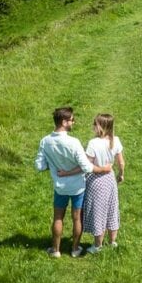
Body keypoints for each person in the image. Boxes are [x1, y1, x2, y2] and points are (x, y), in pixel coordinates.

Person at [35, 106, 113, 258]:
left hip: (60, 187)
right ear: (64, 122)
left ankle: (55, 250)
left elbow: (39, 165)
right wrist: (104, 169)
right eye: (72, 120)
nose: (74, 122)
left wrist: (53, 165)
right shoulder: (74, 142)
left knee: (58, 217)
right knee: (77, 218)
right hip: (78, 187)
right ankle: (75, 249)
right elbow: (86, 167)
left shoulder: (45, 141)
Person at [81, 113, 125, 253]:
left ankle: (97, 246)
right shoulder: (116, 140)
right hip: (110, 179)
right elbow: (121, 162)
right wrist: (121, 174)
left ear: (102, 127)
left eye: (95, 124)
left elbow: (87, 164)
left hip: (96, 180)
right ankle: (112, 241)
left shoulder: (93, 143)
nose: (93, 126)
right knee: (112, 208)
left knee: (98, 211)